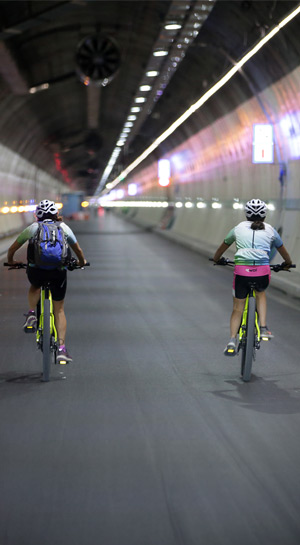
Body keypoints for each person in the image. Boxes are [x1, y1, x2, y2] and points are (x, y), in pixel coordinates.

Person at [6, 199, 87, 363]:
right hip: (58, 272)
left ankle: (31, 315)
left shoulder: (33, 228)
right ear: (56, 214)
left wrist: (12, 260)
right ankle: (62, 349)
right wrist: (81, 262)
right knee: (59, 309)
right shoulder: (63, 228)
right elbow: (77, 249)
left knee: (35, 285)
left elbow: (13, 248)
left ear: (37, 215)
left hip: (37, 270)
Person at [212, 198, 292, 356]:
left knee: (237, 308)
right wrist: (287, 264)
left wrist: (217, 259)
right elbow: (284, 252)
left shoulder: (237, 228)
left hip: (241, 273)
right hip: (262, 272)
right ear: (264, 215)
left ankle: (232, 341)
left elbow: (222, 248)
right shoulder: (270, 230)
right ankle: (263, 328)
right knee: (261, 293)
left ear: (246, 214)